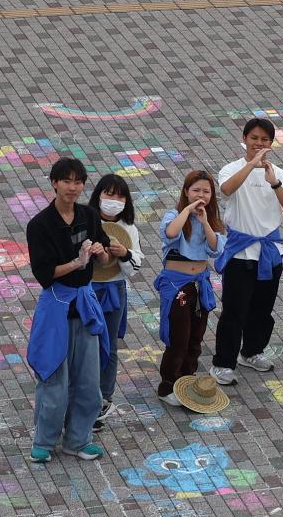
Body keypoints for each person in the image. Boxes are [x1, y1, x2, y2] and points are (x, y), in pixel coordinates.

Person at [24, 158, 111, 464]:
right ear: (54, 183)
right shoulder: (40, 225)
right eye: (67, 181)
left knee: (88, 379)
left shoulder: (88, 215)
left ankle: (78, 439)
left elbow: (104, 257)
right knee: (53, 378)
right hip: (57, 307)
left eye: (78, 182)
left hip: (85, 304)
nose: (73, 188)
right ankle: (44, 441)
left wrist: (99, 253)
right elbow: (44, 274)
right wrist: (76, 263)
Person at [211, 118, 283, 386]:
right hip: (239, 253)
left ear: (271, 143)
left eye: (265, 139)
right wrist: (251, 165)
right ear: (245, 138)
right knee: (234, 311)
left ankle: (252, 351)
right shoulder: (231, 169)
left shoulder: (280, 173)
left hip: (270, 252)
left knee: (262, 309)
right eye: (254, 138)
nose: (259, 143)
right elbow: (226, 190)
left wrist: (274, 183)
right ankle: (223, 363)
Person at [155, 171, 224, 406]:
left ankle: (186, 380)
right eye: (196, 190)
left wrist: (204, 221)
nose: (201, 195)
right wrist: (187, 210)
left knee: (196, 336)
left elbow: (216, 248)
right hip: (177, 284)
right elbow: (170, 233)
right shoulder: (174, 215)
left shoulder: (212, 220)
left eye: (206, 191)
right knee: (179, 336)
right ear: (186, 192)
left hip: (200, 283)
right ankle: (167, 386)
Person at [86, 173, 142, 423]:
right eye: (109, 194)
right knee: (83, 344)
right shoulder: (84, 221)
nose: (114, 200)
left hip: (113, 290)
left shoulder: (129, 228)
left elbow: (134, 269)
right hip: (85, 290)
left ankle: (104, 398)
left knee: (108, 346)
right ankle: (81, 395)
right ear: (98, 195)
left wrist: (125, 253)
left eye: (120, 196)